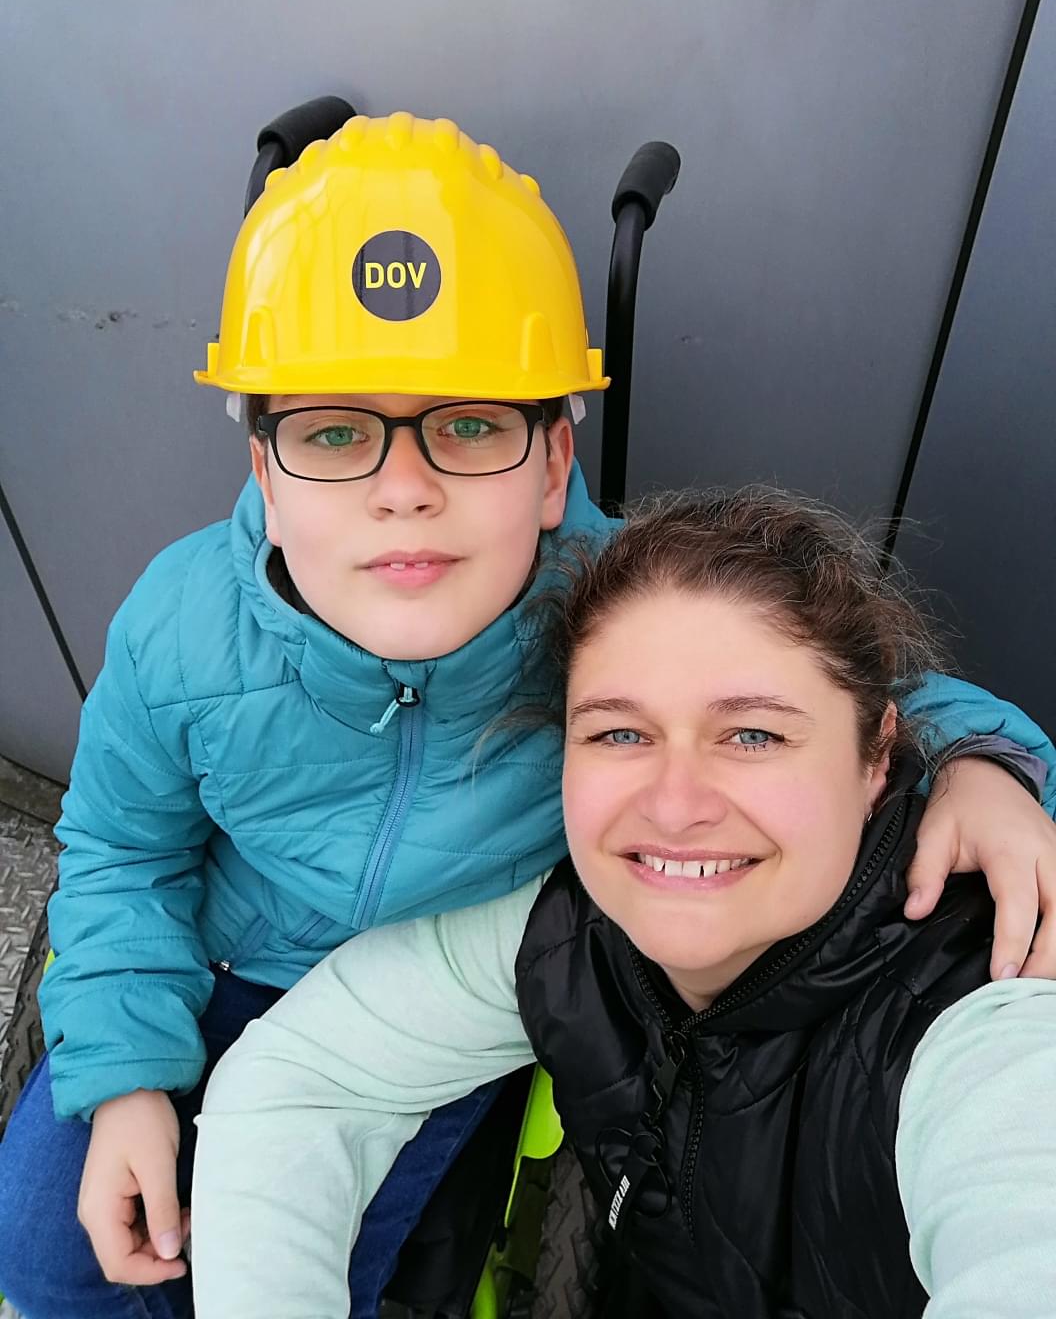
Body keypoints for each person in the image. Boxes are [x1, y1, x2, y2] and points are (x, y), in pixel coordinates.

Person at [0, 113, 1050, 1318]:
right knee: (47, 1259)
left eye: (469, 425)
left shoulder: (605, 612)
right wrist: (129, 1076)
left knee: (354, 1270)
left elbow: (839, 683)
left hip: (451, 998)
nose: (404, 488)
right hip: (225, 965)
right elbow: (123, 849)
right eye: (334, 431)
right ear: (265, 475)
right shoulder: (178, 627)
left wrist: (983, 762)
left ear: (554, 466)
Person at [191, 488, 1056, 1319]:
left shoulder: (989, 1023)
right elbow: (301, 1081)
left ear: (876, 759)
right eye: (620, 733)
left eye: (754, 734)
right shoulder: (571, 930)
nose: (675, 806)